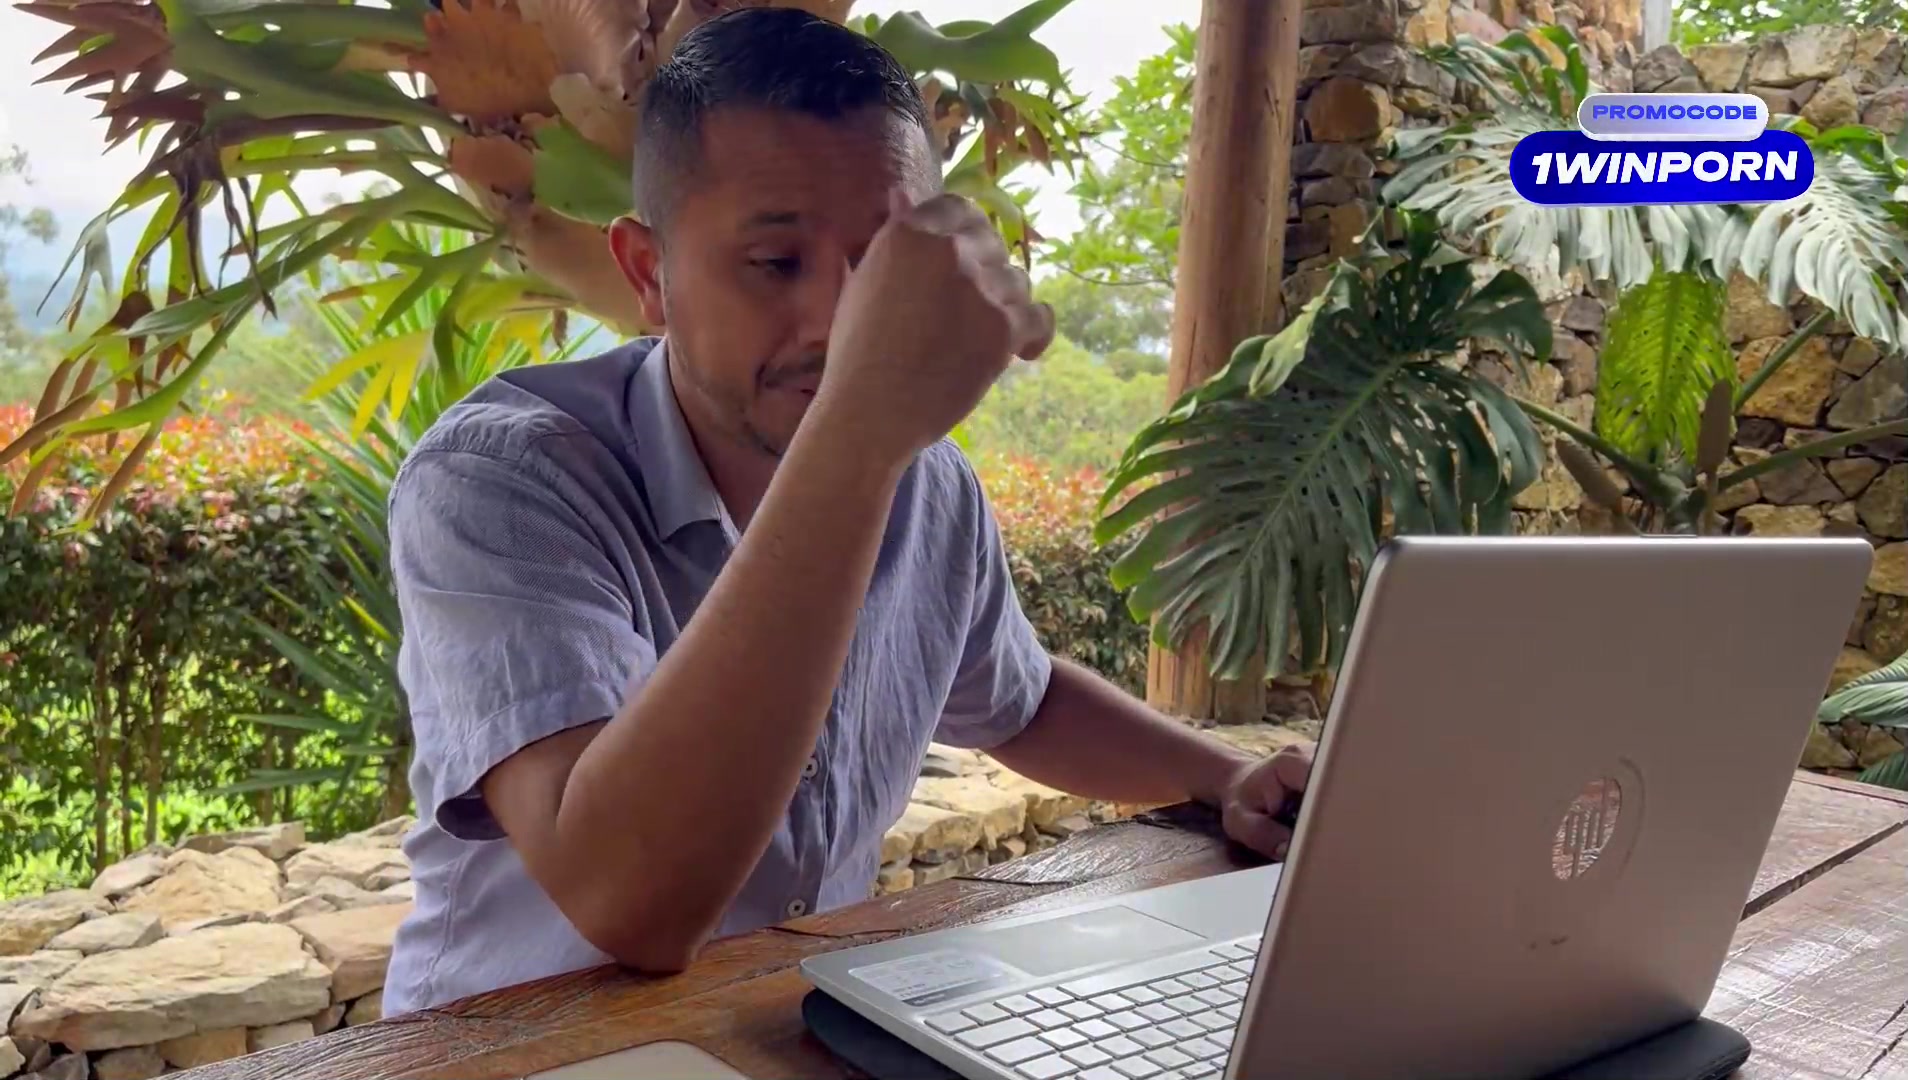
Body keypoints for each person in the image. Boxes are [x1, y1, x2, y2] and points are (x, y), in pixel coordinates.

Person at [381, 5, 1314, 1016]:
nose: (837, 320)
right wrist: (860, 435)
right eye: (776, 263)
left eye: (880, 267)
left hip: (780, 1025)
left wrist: (1226, 777)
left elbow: (1021, 700)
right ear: (650, 273)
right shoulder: (503, 479)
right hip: (516, 1049)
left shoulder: (924, 479)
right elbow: (631, 903)